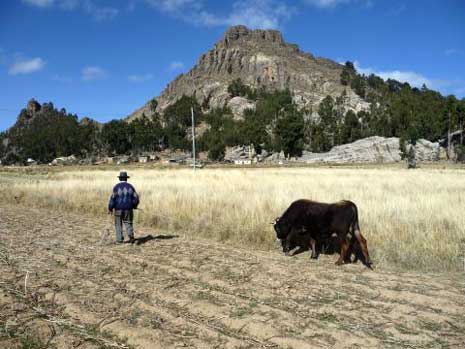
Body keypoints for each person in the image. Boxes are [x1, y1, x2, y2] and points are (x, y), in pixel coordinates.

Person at [108, 171, 139, 243]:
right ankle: (131, 237)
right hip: (128, 209)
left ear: (120, 179)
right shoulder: (131, 187)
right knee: (128, 222)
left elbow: (112, 199)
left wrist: (110, 208)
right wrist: (134, 206)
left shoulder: (116, 187)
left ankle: (119, 240)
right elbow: (136, 198)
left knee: (118, 224)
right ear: (126, 179)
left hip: (118, 209)